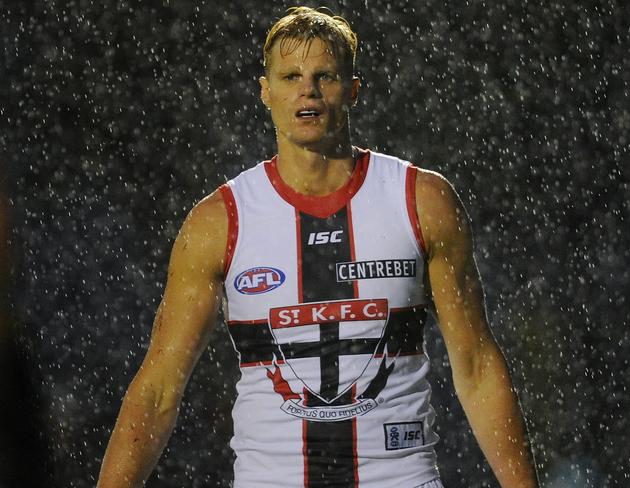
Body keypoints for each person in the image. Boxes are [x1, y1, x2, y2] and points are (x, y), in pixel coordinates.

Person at [97, 7, 539, 488]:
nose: (307, 90)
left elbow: (475, 365)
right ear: (265, 92)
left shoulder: (422, 201)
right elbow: (159, 388)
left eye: (324, 75)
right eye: (290, 76)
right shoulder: (217, 222)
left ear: (352, 89)